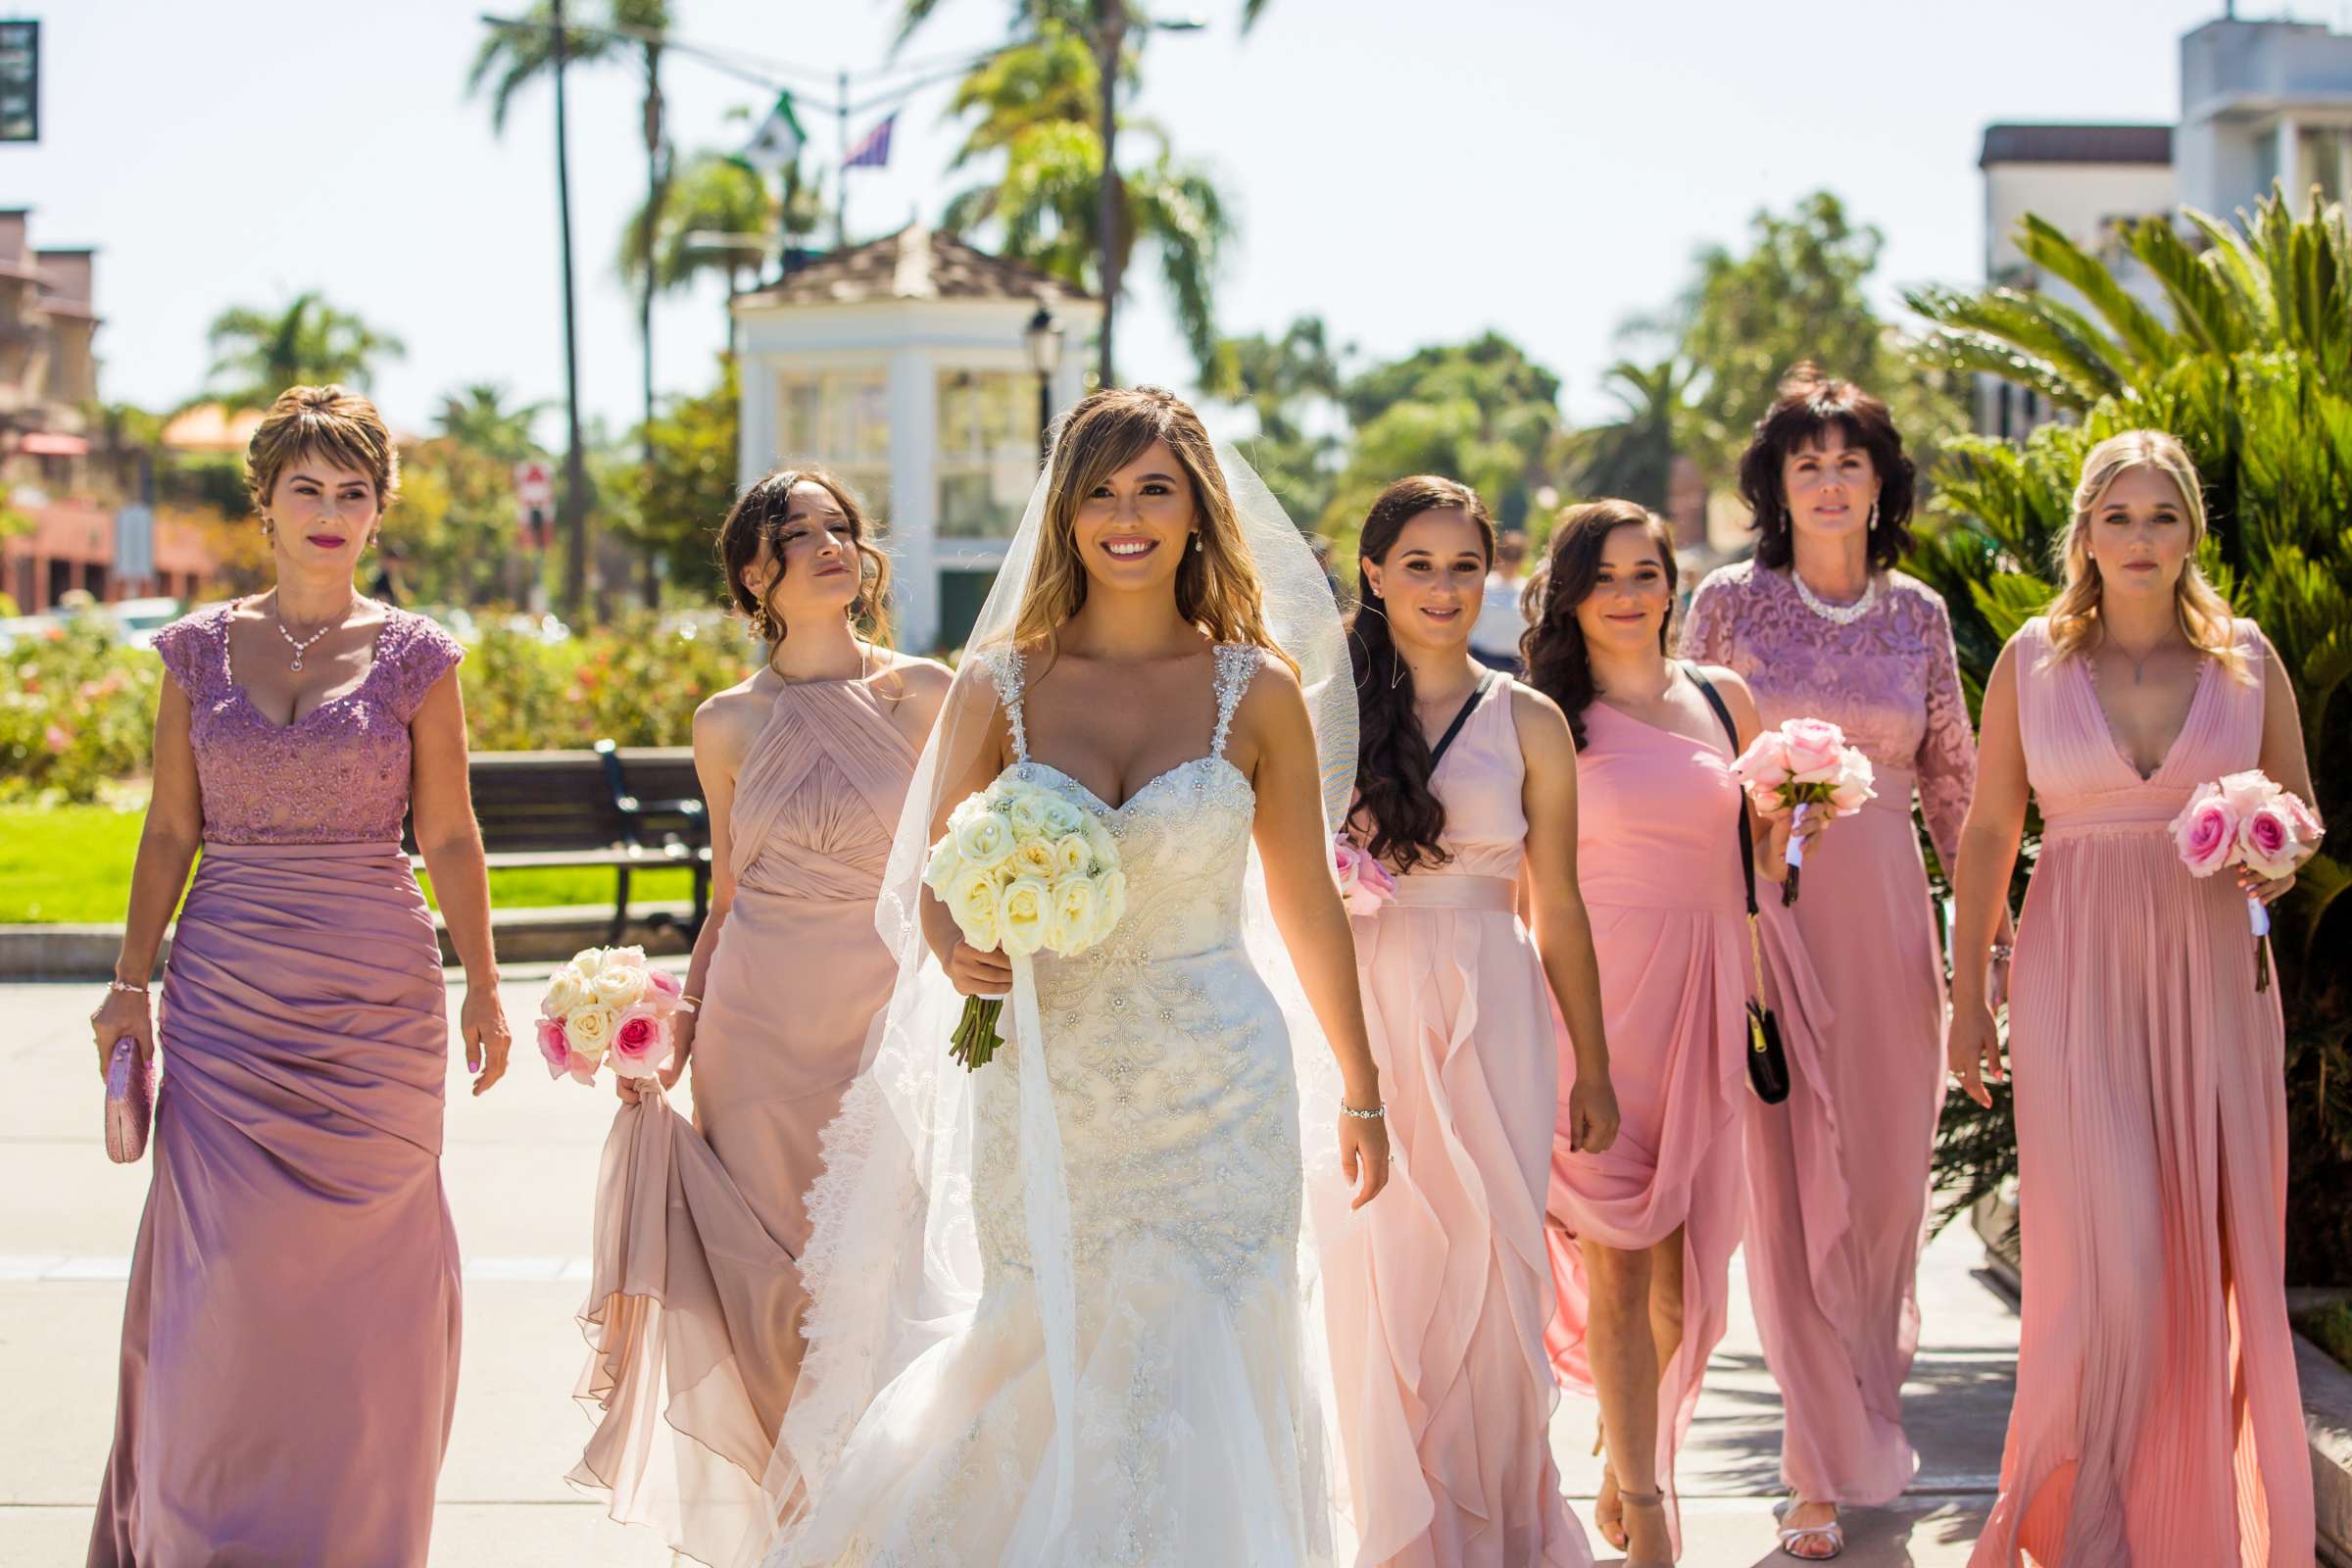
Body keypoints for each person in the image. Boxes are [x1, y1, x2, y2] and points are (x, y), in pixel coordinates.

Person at [751, 386, 1389, 1566]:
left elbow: (1308, 903)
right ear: (1065, 513)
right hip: (1053, 1079)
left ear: (1197, 509)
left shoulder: (1262, 690)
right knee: (1042, 1329)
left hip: (1220, 1087)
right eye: (1100, 489)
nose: (1127, 514)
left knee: (1211, 1336)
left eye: (1154, 487)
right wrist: (956, 942)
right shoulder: (1000, 683)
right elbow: (934, 874)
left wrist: (1361, 1084)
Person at [86, 384, 511, 1566]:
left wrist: (483, 980)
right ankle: (203, 1530)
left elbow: (453, 836)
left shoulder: (420, 655)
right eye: (307, 490)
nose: (331, 512)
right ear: (263, 503)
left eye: (354, 492)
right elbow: (168, 832)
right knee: (222, 1279)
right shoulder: (195, 651)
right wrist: (133, 979)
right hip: (225, 993)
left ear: (378, 513)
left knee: (361, 1286)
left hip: (375, 997)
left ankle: (350, 1534)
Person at [1948, 430, 2319, 1566]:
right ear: (2085, 535)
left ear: (2193, 531)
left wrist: (2282, 852)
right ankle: (2086, 1518)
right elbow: (1987, 831)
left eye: (2163, 516)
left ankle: (2178, 1523)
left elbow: (2302, 807)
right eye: (2120, 516)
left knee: (2200, 1263)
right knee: (2113, 1258)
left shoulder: (2247, 658)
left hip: (2211, 976)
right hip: (2074, 977)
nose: (2142, 538)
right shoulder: (2029, 660)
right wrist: (1969, 1000)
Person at [568, 469, 949, 1566]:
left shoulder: (926, 694)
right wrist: (665, 1024)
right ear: (754, 573)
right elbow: (726, 894)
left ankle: (890, 1521)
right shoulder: (727, 722)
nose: (832, 546)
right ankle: (802, 1532)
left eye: (843, 529)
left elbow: (965, 858)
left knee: (884, 1272)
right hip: (755, 1031)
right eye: (800, 534)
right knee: (772, 1291)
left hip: (885, 1024)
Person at [1681, 364, 1999, 1559]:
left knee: (1879, 1186)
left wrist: (1991, 950)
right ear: (1775, 482)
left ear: (1881, 483)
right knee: (1787, 1183)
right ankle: (1816, 1466)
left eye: (1848, 460)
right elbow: (1686, 753)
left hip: (1885, 921)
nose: (1827, 479)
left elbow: (1959, 786)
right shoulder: (1723, 605)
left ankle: (1865, 1414)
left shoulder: (1919, 617)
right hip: (1766, 915)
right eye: (1805, 461)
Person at [1325, 474, 1611, 1567]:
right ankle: (1402, 1536)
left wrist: (1596, 1065)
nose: (1445, 588)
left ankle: (1500, 1530)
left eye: (1465, 565)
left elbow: (1565, 902)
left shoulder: (1528, 716)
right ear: (1373, 574)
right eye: (1419, 565)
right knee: (1385, 1271)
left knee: (1499, 1271)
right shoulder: (1328, 712)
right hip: (1367, 1006)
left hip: (1498, 1002)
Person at [1526, 500, 1813, 1568]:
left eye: (1646, 572)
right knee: (1621, 1265)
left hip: (1702, 998)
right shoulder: (1544, 712)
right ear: (1570, 591)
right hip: (1593, 1003)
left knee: (1685, 1286)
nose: (1628, 593)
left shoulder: (1724, 699)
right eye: (1603, 575)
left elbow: (1759, 872)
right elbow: (1530, 884)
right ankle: (1649, 1514)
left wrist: (1792, 826)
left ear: (1672, 584)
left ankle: (1621, 1453)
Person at [1469, 529, 1530, 673]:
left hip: (1515, 663)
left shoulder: (1528, 589)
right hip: (1481, 658)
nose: (1511, 562)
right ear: (1499, 556)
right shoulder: (1484, 585)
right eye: (1508, 555)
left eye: (1517, 556)